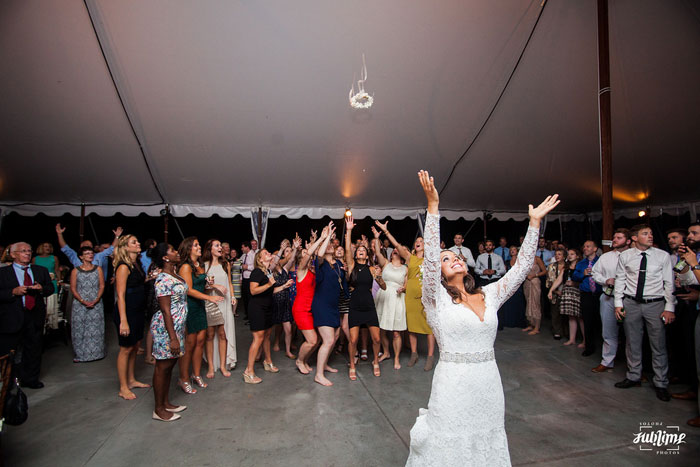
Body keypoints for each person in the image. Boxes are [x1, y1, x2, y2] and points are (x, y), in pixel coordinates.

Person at [406, 170, 559, 466]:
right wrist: (433, 209)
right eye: (447, 259)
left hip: (488, 383)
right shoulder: (434, 299)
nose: (454, 259)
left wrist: (535, 223)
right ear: (438, 271)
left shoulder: (490, 294)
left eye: (456, 256)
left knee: (486, 439)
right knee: (450, 440)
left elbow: (522, 266)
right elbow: (432, 257)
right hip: (452, 383)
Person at [614, 224, 675, 402]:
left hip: (655, 304)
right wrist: (618, 303)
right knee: (632, 342)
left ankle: (661, 382)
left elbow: (669, 283)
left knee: (658, 344)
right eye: (645, 234)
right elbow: (620, 279)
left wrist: (669, 307)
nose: (650, 236)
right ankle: (633, 376)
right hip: (631, 302)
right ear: (634, 238)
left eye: (650, 233)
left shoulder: (662, 256)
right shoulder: (625, 256)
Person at [376, 220, 436, 371]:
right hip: (410, 295)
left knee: (429, 327)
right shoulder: (410, 258)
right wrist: (386, 231)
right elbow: (396, 245)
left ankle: (430, 356)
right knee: (412, 327)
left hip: (426, 295)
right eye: (417, 241)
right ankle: (414, 354)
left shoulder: (431, 260)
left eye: (421, 241)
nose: (418, 242)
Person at [0, 243, 54, 388]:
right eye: (23, 251)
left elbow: (50, 288)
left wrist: (42, 288)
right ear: (13, 254)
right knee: (8, 351)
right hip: (12, 317)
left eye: (29, 251)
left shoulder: (40, 271)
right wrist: (13, 292)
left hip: (34, 315)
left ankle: (30, 379)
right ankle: (7, 381)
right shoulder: (3, 273)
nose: (27, 254)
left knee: (34, 349)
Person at [177, 237, 223, 394]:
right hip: (190, 307)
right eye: (195, 245)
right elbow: (188, 289)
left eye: (198, 244)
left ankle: (196, 374)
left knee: (200, 341)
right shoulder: (185, 267)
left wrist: (209, 285)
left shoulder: (200, 265)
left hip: (201, 306)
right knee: (189, 344)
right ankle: (183, 378)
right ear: (188, 248)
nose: (198, 247)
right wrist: (210, 297)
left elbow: (202, 285)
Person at [243, 249, 293, 384]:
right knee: (258, 338)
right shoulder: (257, 272)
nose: (269, 254)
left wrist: (283, 286)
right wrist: (269, 284)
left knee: (267, 336)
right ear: (260, 259)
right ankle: (249, 371)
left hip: (268, 307)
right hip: (257, 309)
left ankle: (268, 361)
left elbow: (271, 291)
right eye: (266, 253)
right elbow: (253, 291)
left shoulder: (268, 272)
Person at [151, 243, 188, 421]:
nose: (176, 252)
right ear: (165, 258)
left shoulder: (175, 274)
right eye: (172, 250)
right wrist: (172, 338)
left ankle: (166, 402)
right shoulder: (163, 279)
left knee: (170, 365)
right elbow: (165, 310)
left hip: (177, 327)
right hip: (166, 329)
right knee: (162, 367)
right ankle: (158, 409)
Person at [113, 235, 150, 399]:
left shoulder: (137, 264)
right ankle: (123, 387)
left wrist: (151, 278)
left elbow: (137, 283)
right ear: (125, 247)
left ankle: (131, 379)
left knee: (135, 346)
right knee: (126, 348)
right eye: (134, 242)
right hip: (126, 311)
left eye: (137, 240)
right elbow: (120, 295)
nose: (138, 243)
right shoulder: (123, 266)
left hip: (138, 309)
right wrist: (123, 320)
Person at [311, 222, 346, 386]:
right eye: (329, 244)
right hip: (322, 305)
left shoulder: (338, 265)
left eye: (333, 243)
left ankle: (324, 364)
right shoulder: (321, 264)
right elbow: (319, 253)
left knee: (336, 336)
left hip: (333, 306)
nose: (332, 245)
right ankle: (318, 374)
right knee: (328, 340)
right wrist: (324, 237)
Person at [590, 229, 630, 372]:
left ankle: (633, 368)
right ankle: (607, 361)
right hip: (608, 297)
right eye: (614, 237)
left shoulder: (634, 257)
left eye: (619, 238)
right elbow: (595, 273)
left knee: (631, 334)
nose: (614, 240)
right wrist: (605, 280)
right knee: (608, 331)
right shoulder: (606, 257)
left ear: (628, 241)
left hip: (628, 299)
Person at [291, 231, 326, 374]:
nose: (308, 253)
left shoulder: (312, 270)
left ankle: (304, 360)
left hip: (312, 309)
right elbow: (308, 254)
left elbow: (318, 254)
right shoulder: (301, 270)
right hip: (301, 309)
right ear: (301, 257)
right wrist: (321, 238)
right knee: (312, 340)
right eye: (305, 253)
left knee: (317, 340)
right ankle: (299, 360)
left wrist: (322, 240)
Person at [372, 227, 408, 369]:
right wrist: (376, 238)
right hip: (383, 296)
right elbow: (376, 251)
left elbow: (406, 284)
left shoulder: (406, 268)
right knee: (381, 329)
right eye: (394, 248)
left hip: (397, 298)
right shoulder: (385, 263)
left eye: (399, 249)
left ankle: (397, 358)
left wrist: (403, 288)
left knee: (396, 332)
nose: (395, 249)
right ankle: (386, 352)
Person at [202, 239, 237, 378]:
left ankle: (222, 365)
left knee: (223, 334)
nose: (220, 248)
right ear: (210, 249)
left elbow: (229, 282)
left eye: (220, 246)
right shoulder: (203, 266)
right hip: (211, 303)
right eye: (217, 246)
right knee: (210, 335)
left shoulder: (225, 264)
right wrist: (214, 286)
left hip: (225, 302)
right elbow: (203, 287)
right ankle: (211, 366)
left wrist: (233, 296)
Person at [70, 246, 105, 362]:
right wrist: (82, 301)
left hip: (96, 303)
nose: (90, 255)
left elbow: (102, 285)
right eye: (87, 254)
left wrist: (96, 299)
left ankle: (97, 353)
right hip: (79, 304)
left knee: (96, 328)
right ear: (81, 257)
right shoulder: (75, 271)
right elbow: (73, 289)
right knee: (80, 329)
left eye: (91, 253)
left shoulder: (98, 269)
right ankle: (81, 355)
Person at [56, 223, 122, 281]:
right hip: (80, 286)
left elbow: (111, 249)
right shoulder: (75, 256)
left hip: (97, 286)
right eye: (87, 245)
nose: (90, 246)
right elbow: (65, 247)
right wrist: (59, 234)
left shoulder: (98, 256)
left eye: (91, 245)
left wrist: (117, 236)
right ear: (81, 246)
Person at [549, 249, 584, 348]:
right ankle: (572, 339)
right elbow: (559, 280)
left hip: (577, 292)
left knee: (580, 317)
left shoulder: (580, 266)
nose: (570, 256)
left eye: (572, 254)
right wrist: (551, 290)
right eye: (568, 254)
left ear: (577, 256)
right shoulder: (566, 267)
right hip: (567, 292)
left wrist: (575, 283)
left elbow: (584, 280)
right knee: (571, 316)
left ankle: (585, 340)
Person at [573, 241, 601, 357]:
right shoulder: (581, 264)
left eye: (588, 246)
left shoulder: (601, 261)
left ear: (595, 249)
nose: (585, 248)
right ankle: (589, 347)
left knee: (601, 322)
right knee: (587, 321)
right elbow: (574, 276)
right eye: (584, 246)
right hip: (586, 295)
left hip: (601, 295)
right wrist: (583, 274)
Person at [271, 242, 298, 360]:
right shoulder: (270, 272)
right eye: (274, 257)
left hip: (286, 303)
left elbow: (291, 259)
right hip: (274, 304)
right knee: (268, 331)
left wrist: (295, 249)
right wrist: (281, 250)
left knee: (288, 330)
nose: (275, 259)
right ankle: (261, 351)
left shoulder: (285, 270)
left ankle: (287, 351)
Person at [32, 242, 61, 330]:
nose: (47, 248)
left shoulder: (54, 258)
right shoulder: (35, 259)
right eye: (45, 246)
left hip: (51, 283)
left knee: (51, 307)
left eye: (49, 246)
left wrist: (59, 281)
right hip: (39, 284)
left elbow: (57, 270)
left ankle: (50, 326)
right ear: (41, 248)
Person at [498, 246, 527, 329]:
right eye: (510, 250)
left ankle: (518, 321)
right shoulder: (506, 262)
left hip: (518, 285)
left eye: (514, 250)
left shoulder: (521, 262)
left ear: (517, 251)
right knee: (508, 302)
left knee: (518, 302)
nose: (512, 251)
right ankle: (508, 321)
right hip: (508, 285)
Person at [522, 252, 546, 335]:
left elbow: (544, 271)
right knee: (528, 303)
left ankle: (537, 327)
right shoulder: (525, 259)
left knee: (535, 303)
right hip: (527, 283)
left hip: (535, 282)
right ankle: (531, 324)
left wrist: (535, 275)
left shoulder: (537, 258)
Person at [545, 248, 567, 339]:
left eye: (559, 254)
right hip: (554, 292)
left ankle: (567, 332)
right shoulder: (551, 266)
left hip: (566, 292)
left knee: (566, 314)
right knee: (555, 313)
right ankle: (557, 331)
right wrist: (555, 291)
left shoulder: (568, 266)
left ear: (564, 256)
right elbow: (549, 282)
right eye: (556, 254)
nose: (557, 256)